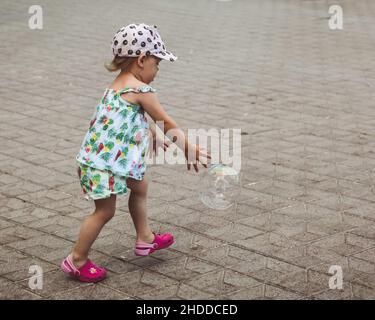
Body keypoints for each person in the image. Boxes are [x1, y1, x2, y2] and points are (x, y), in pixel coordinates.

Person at [61, 23, 211, 282]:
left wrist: (149, 133)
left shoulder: (116, 85)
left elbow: (120, 117)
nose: (157, 70)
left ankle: (145, 238)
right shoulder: (142, 91)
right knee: (104, 211)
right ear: (142, 59)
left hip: (105, 161)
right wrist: (190, 149)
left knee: (140, 185)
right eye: (157, 64)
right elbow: (166, 121)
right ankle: (77, 259)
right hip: (102, 165)